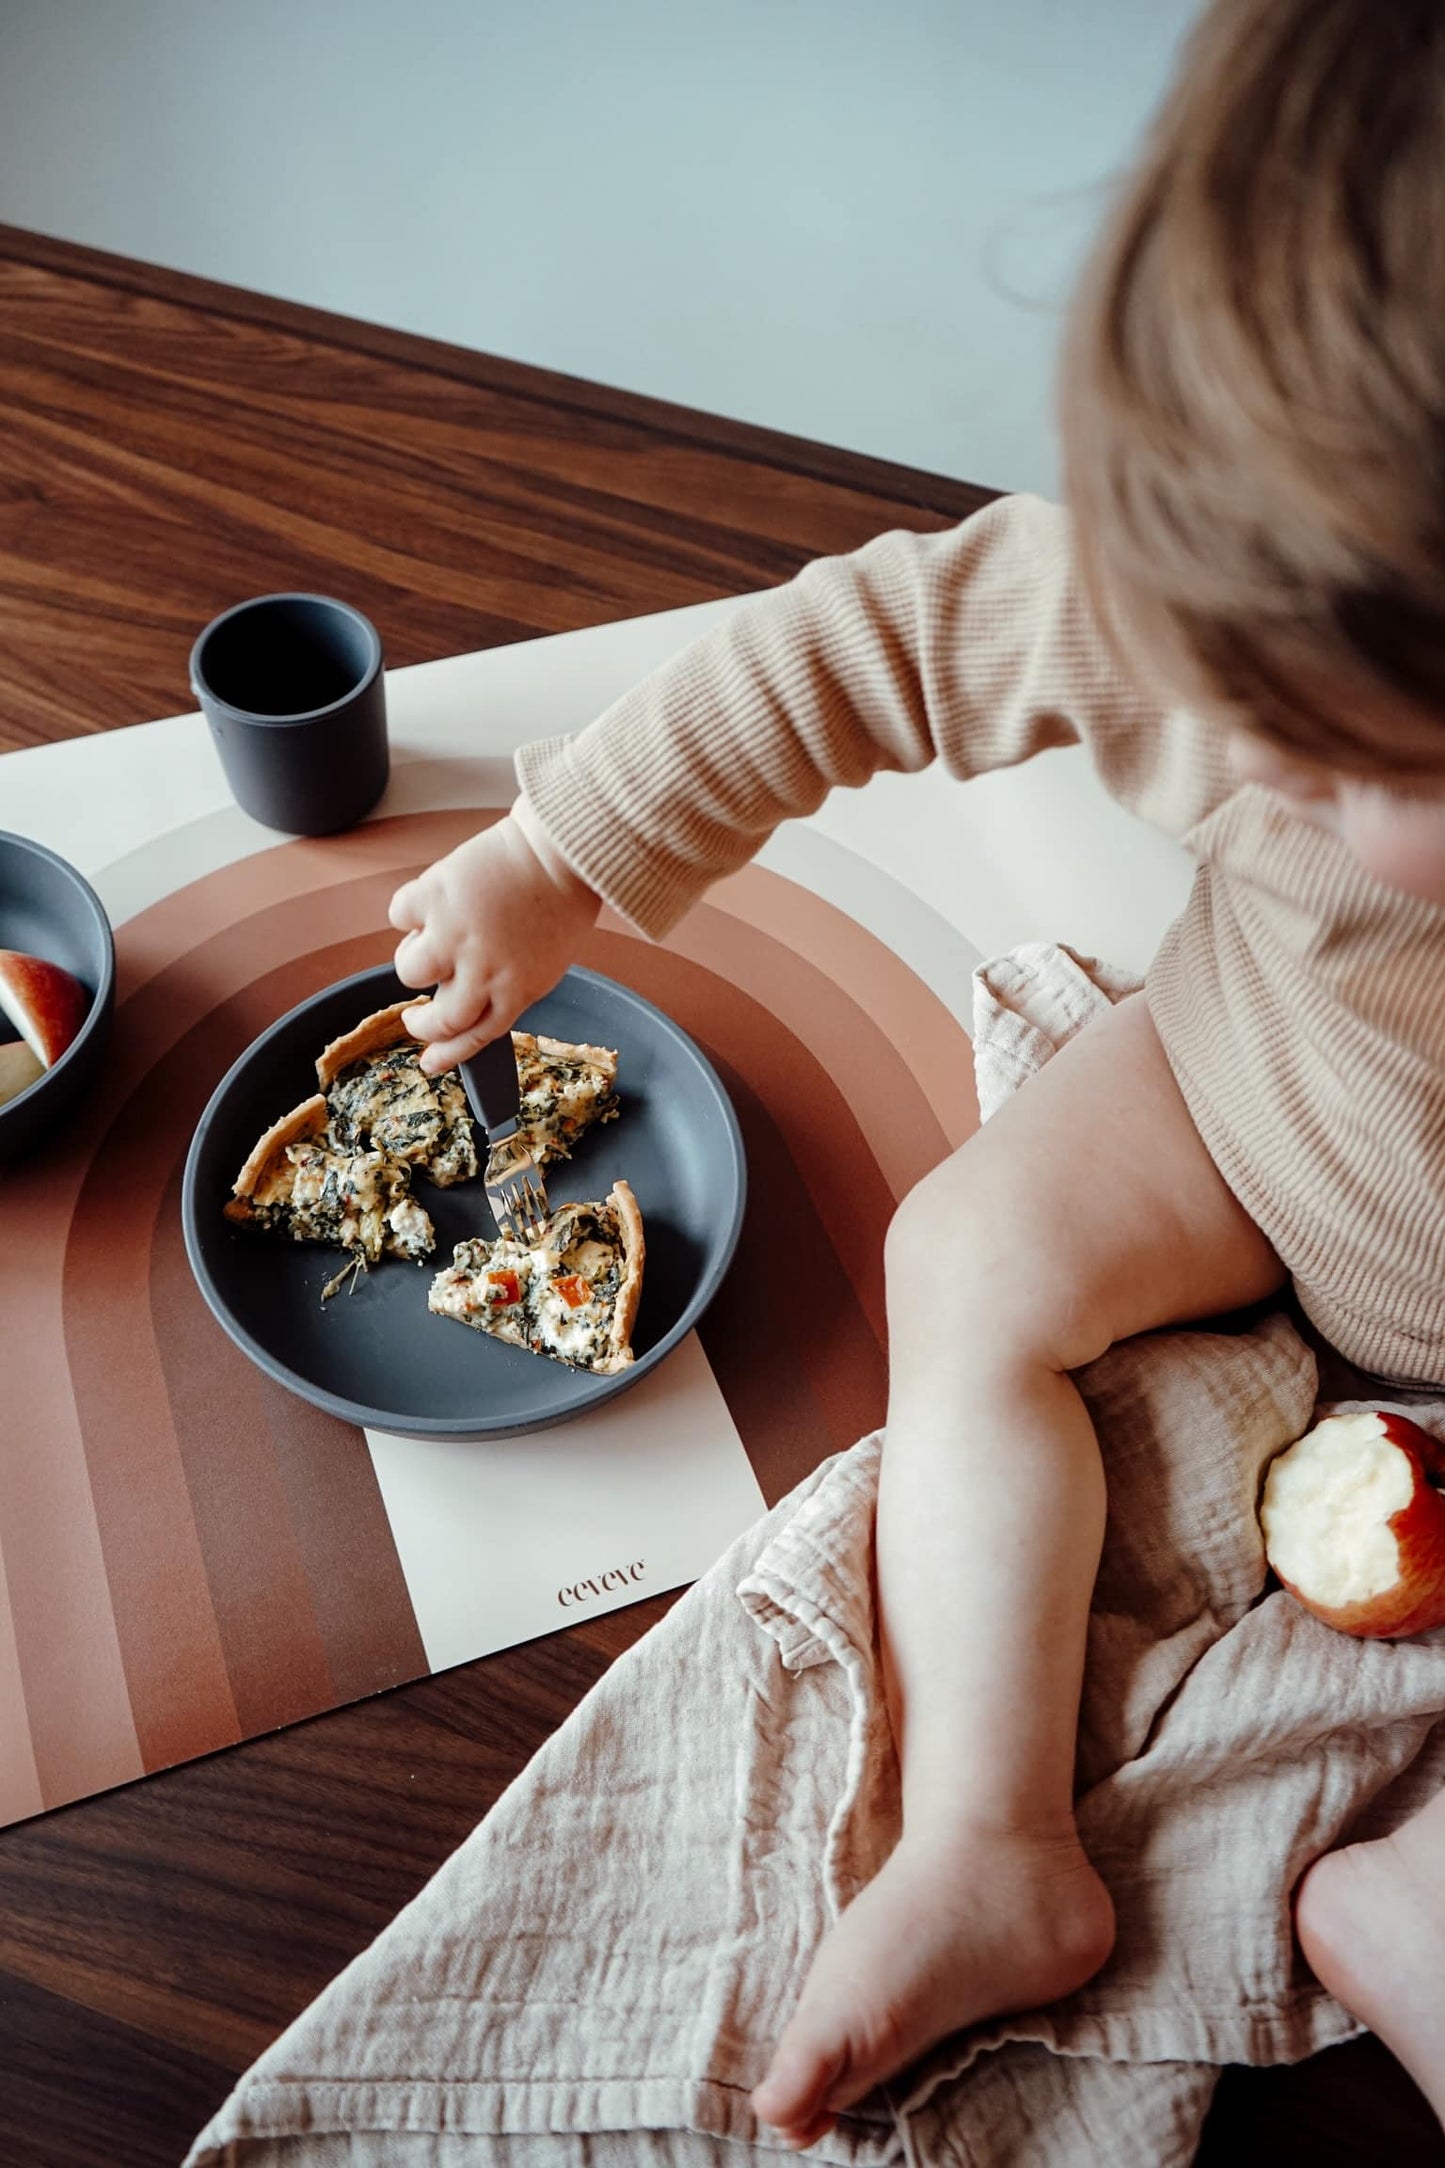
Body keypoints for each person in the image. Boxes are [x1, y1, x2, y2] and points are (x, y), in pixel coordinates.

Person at [387, 0, 1445, 2146]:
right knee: (967, 1254)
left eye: (1346, 756)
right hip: (1247, 1097)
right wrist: (556, 852)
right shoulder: (1205, 580)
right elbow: (852, 646)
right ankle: (988, 1832)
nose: (1233, 759)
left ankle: (1404, 1902)